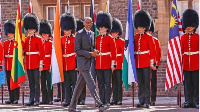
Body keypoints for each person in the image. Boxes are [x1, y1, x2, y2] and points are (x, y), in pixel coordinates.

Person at [68, 17, 108, 112]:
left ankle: (71, 107)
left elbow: (91, 48)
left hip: (88, 63)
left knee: (78, 87)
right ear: (84, 23)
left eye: (90, 23)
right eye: (87, 23)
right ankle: (100, 105)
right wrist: (90, 54)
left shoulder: (92, 34)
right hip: (82, 64)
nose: (89, 24)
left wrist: (95, 51)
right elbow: (77, 50)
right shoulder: (80, 34)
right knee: (91, 84)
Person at [134, 10, 156, 108]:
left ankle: (147, 101)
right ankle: (141, 100)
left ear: (145, 27)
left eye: (142, 27)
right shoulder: (135, 37)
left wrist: (152, 62)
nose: (140, 29)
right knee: (140, 83)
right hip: (138, 62)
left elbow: (153, 51)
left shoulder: (149, 37)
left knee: (147, 83)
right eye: (138, 27)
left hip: (146, 62)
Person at [95, 11, 116, 106]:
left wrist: (113, 64)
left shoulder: (110, 38)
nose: (102, 29)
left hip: (107, 63)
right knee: (100, 84)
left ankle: (107, 100)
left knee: (108, 83)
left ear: (107, 28)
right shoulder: (97, 38)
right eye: (101, 27)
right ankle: (101, 100)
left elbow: (114, 52)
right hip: (98, 64)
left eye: (104, 28)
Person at [24, 13, 45, 106]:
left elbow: (42, 53)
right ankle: (31, 99)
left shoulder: (38, 39)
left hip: (36, 64)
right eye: (29, 29)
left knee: (37, 83)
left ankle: (37, 99)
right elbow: (24, 50)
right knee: (31, 83)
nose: (30, 31)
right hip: (28, 63)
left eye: (32, 29)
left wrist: (41, 64)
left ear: (35, 29)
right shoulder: (26, 39)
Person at [181, 9, 199, 109]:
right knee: (187, 84)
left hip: (196, 63)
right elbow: (181, 51)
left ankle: (196, 101)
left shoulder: (198, 37)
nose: (189, 28)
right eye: (188, 26)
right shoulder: (183, 38)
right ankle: (188, 101)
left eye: (191, 26)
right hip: (186, 64)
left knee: (196, 84)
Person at [61, 13, 77, 107]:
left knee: (74, 84)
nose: (66, 31)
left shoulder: (75, 39)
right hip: (65, 63)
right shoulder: (62, 39)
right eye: (64, 29)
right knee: (66, 84)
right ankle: (67, 100)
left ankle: (74, 100)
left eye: (67, 30)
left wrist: (76, 65)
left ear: (71, 29)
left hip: (72, 63)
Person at [3, 20, 19, 104]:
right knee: (9, 82)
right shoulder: (5, 43)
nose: (9, 35)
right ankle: (11, 98)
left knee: (15, 82)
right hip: (7, 65)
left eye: (10, 33)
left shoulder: (16, 43)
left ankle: (16, 98)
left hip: (14, 65)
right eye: (8, 33)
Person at [146, 20, 161, 106]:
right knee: (145, 83)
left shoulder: (155, 40)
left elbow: (157, 53)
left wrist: (156, 64)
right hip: (145, 64)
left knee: (153, 83)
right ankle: (146, 99)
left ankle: (153, 99)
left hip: (153, 65)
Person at [110, 18, 124, 105]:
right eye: (112, 32)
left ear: (118, 32)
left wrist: (121, 64)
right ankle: (114, 99)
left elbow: (122, 54)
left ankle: (119, 99)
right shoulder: (110, 41)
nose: (114, 34)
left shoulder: (121, 42)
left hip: (118, 65)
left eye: (115, 32)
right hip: (111, 65)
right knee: (113, 83)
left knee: (119, 83)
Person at [39, 20, 53, 105]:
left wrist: (51, 66)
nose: (44, 36)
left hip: (48, 65)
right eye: (43, 34)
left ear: (48, 34)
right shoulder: (41, 43)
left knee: (49, 83)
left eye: (46, 34)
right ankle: (44, 99)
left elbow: (51, 55)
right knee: (43, 83)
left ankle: (50, 99)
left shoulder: (51, 43)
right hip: (42, 65)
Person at [76, 18, 86, 105]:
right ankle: (76, 99)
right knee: (76, 82)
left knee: (82, 82)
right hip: (74, 62)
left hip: (82, 62)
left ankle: (82, 98)